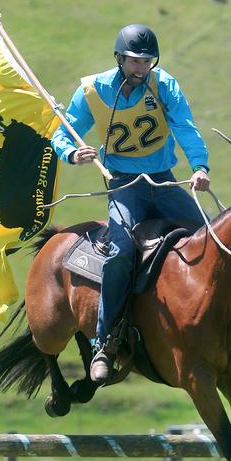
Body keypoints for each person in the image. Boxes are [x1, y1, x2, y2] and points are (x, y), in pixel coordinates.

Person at [51, 24, 210, 385]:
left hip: (165, 182)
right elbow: (61, 131)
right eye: (135, 61)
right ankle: (103, 345)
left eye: (147, 62)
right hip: (125, 187)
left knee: (212, 237)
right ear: (119, 59)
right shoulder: (92, 91)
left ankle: (226, 336)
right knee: (120, 251)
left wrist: (200, 166)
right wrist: (72, 152)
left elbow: (185, 126)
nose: (141, 68)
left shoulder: (164, 84)